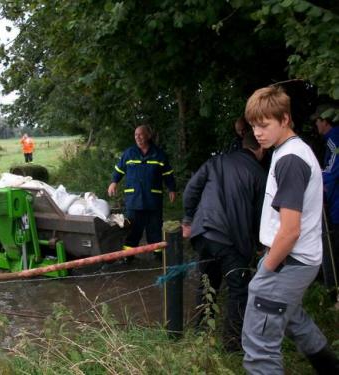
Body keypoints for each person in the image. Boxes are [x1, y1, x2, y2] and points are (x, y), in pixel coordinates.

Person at [242, 85, 339, 374]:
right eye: (253, 126)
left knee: (259, 342)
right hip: (296, 260)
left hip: (288, 261)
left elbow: (290, 230)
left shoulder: (290, 160)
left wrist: (266, 269)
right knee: (293, 317)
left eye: (264, 125)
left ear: (284, 119)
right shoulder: (291, 151)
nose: (258, 133)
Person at [182, 131, 266, 351]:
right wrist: (259, 245)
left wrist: (189, 218)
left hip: (203, 234)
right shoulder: (259, 173)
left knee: (207, 281)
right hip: (231, 240)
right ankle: (232, 343)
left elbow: (191, 190)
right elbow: (260, 216)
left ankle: (200, 332)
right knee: (239, 289)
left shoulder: (216, 161)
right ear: (261, 149)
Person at [107, 125, 176, 255]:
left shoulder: (159, 154)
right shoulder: (129, 153)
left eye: (141, 134)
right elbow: (119, 170)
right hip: (134, 200)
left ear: (149, 136)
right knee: (132, 229)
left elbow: (168, 174)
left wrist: (171, 189)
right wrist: (113, 182)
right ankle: (128, 255)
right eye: (135, 135)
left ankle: (158, 254)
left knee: (155, 229)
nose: (137, 137)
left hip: (153, 200)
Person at [313, 104, 339, 291]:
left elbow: (332, 169)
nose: (316, 125)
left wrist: (314, 176)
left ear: (324, 121)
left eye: (317, 121)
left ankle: (335, 292)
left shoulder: (334, 139)